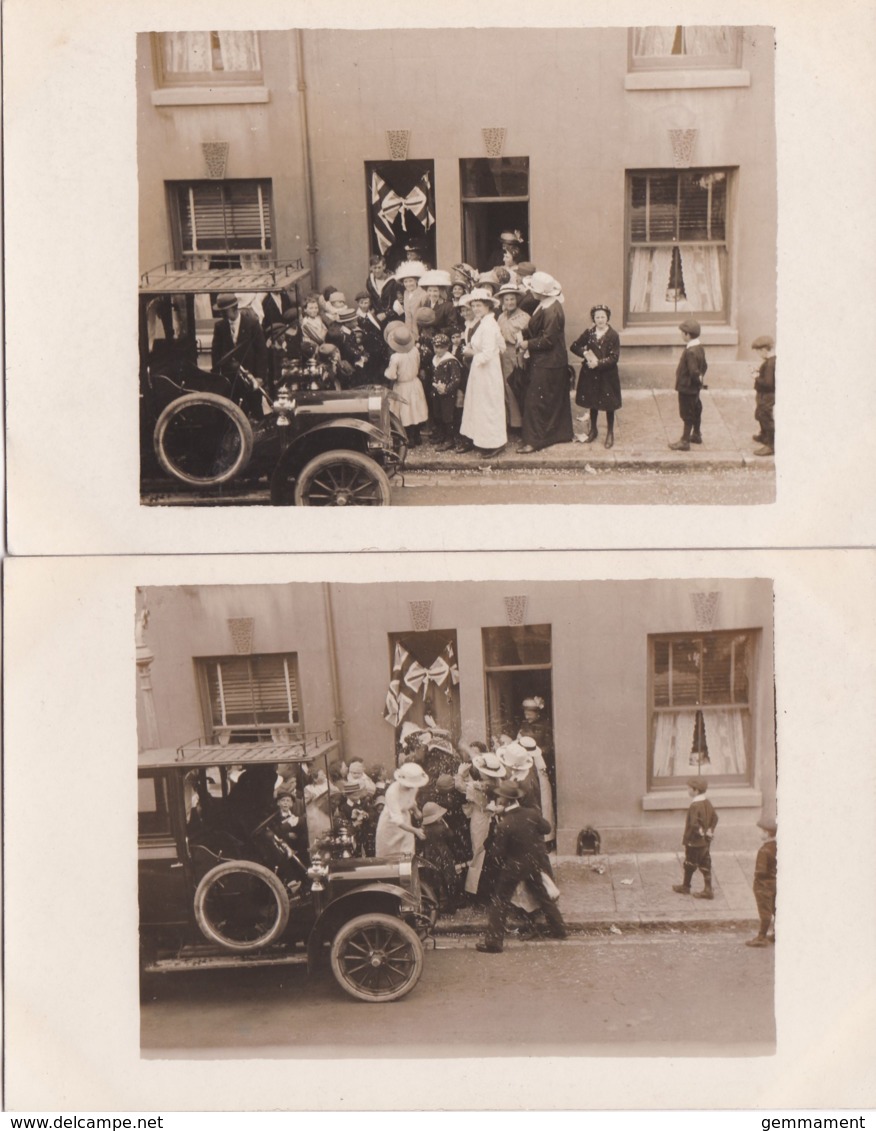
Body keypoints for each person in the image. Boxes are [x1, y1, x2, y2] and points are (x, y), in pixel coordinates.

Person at [476, 782, 567, 953]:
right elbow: (546, 828)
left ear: (504, 800)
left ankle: (494, 941)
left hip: (513, 866)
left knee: (500, 901)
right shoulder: (531, 814)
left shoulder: (505, 824)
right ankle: (559, 930)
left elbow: (497, 853)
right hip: (533, 862)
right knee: (543, 896)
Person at [516, 272, 574, 453]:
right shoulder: (544, 305)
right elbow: (537, 328)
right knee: (549, 399)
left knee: (536, 401)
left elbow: (548, 340)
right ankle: (556, 434)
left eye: (533, 289)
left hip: (549, 362)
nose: (530, 291)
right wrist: (524, 332)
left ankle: (535, 440)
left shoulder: (552, 311)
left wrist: (527, 343)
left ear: (542, 293)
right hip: (545, 360)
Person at [458, 288, 508, 457]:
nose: (476, 309)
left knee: (488, 406)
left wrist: (472, 353)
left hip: (486, 372)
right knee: (480, 405)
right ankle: (480, 440)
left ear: (487, 306)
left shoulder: (488, 325)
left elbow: (488, 353)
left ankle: (494, 442)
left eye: (479, 305)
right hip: (482, 371)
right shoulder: (485, 323)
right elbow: (501, 346)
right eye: (474, 305)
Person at [572, 304, 622, 449]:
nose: (600, 320)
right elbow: (574, 346)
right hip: (590, 375)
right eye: (597, 317)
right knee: (592, 402)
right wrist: (586, 355)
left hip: (607, 375)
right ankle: (593, 430)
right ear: (593, 318)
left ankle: (610, 433)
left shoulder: (613, 335)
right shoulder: (589, 332)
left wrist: (598, 363)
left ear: (607, 318)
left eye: (603, 317)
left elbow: (614, 358)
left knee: (609, 404)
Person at [210, 293, 270, 413]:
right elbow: (215, 354)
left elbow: (261, 352)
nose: (221, 314)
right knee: (233, 413)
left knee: (255, 411)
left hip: (250, 377)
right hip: (230, 380)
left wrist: (259, 377)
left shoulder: (252, 323)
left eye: (224, 311)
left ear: (233, 308)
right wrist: (217, 378)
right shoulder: (220, 327)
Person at [672, 777, 719, 899]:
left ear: (696, 790)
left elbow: (694, 824)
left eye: (689, 788)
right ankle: (708, 889)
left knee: (689, 863)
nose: (687, 790)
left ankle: (686, 886)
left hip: (694, 842)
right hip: (705, 843)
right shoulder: (707, 802)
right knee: (705, 863)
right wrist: (710, 831)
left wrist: (701, 832)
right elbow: (715, 818)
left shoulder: (694, 805)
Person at [384, 322, 428, 446]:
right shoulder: (415, 350)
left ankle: (409, 438)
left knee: (405, 411)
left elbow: (391, 375)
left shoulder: (396, 357)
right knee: (415, 408)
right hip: (414, 382)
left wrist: (386, 371)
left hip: (402, 386)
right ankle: (417, 436)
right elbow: (418, 365)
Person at [375, 762, 429, 857]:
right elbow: (398, 821)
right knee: (388, 858)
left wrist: (416, 810)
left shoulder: (414, 787)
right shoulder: (392, 792)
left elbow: (410, 800)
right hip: (390, 825)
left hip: (406, 823)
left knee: (407, 854)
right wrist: (416, 831)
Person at [496, 284, 529, 435]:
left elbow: (526, 339)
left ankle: (519, 424)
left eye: (512, 299)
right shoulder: (501, 317)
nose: (509, 302)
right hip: (502, 355)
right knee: (503, 387)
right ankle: (508, 421)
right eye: (506, 299)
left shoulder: (524, 317)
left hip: (516, 354)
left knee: (515, 386)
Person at [670, 319, 708, 451]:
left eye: (682, 333)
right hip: (694, 389)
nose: (681, 335)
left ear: (687, 334)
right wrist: (700, 382)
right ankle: (696, 434)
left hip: (687, 388)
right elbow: (704, 366)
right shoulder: (699, 348)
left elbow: (693, 372)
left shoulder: (690, 351)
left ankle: (685, 441)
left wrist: (696, 381)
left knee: (687, 414)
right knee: (696, 409)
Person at [419, 801, 463, 913]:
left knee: (434, 882)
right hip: (444, 855)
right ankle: (451, 906)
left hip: (430, 857)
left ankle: (435, 907)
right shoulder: (441, 827)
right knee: (448, 880)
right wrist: (446, 824)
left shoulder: (424, 829)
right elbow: (451, 836)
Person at [746, 817, 777, 946]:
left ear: (766, 834)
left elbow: (760, 871)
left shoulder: (763, 851)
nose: (760, 833)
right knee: (776, 909)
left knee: (765, 911)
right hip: (776, 883)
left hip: (763, 885)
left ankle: (761, 937)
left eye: (762, 831)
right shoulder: (777, 847)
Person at [430, 332, 464, 450]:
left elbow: (456, 379)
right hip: (437, 392)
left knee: (448, 416)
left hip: (448, 395)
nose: (438, 350)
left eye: (441, 347)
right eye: (436, 347)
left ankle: (450, 440)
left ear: (447, 347)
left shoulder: (451, 360)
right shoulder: (435, 359)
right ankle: (442, 435)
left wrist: (447, 389)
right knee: (438, 414)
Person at [751, 335, 776, 456]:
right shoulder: (769, 362)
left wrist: (756, 377)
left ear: (765, 350)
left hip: (767, 396)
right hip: (763, 395)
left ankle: (771, 445)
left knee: (766, 417)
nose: (759, 355)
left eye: (759, 351)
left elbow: (768, 383)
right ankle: (764, 435)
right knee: (760, 414)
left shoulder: (771, 363)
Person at [394, 261, 428, 338]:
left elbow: (425, 317)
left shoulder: (424, 294)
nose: (408, 284)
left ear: (416, 281)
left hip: (420, 331)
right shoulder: (406, 293)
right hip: (408, 330)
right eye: (405, 281)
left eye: (410, 281)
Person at [365, 255, 394, 319]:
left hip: (391, 317)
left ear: (384, 266)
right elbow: (370, 298)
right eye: (374, 268)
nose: (377, 271)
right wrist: (371, 309)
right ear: (371, 268)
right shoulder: (369, 281)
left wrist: (386, 314)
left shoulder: (393, 281)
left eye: (379, 267)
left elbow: (399, 303)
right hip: (377, 316)